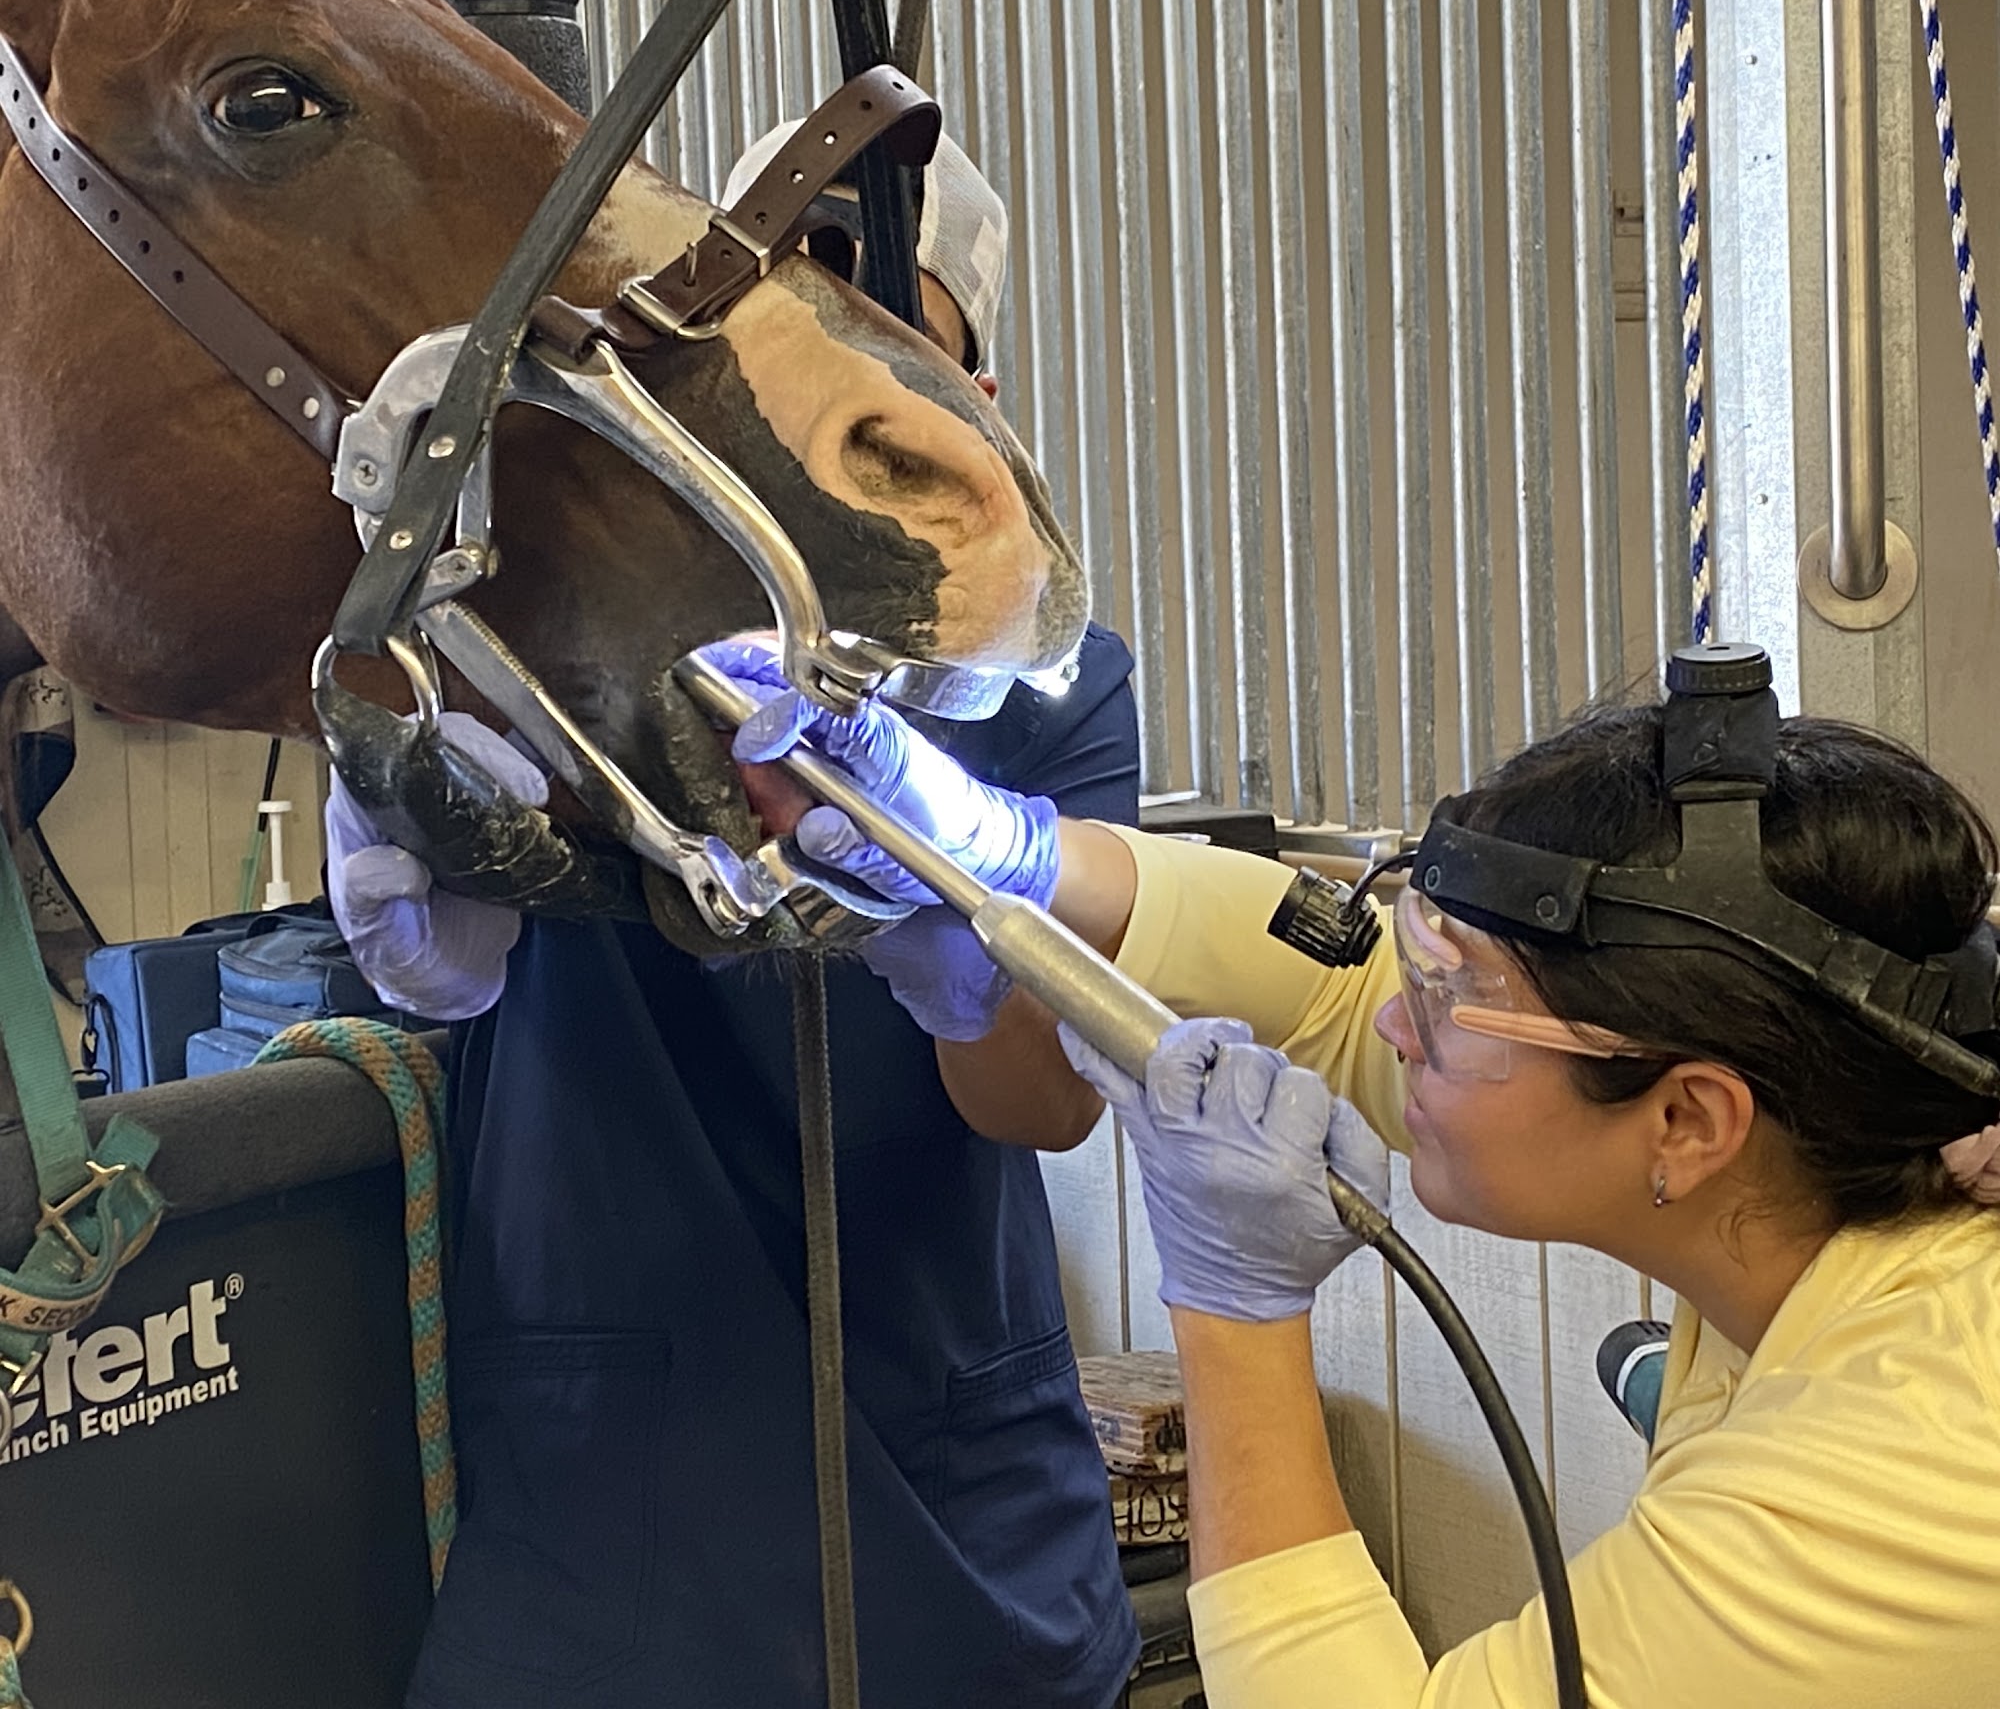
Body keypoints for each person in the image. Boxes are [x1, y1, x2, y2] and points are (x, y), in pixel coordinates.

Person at [715, 640, 2000, 1709]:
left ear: (1687, 1119)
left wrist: (1232, 1309)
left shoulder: (1885, 1481)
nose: (1398, 1020)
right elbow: (1339, 982)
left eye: (1450, 998)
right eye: (1424, 964)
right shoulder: (1833, 1167)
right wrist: (1012, 850)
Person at [327, 137, 1143, 1709]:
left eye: (904, 346)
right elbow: (435, 959)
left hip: (950, 1473)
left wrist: (956, 953)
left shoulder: (1044, 679)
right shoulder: (548, 613)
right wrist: (407, 815)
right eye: (803, 304)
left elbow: (1041, 1099)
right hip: (608, 1442)